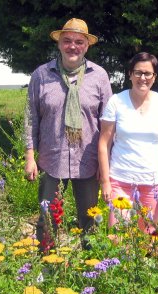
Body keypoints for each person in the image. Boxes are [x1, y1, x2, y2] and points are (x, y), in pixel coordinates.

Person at [24, 18, 112, 250]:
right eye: (67, 41)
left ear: (87, 46)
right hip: (52, 159)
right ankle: (47, 266)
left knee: (89, 219)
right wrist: (30, 157)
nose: (73, 46)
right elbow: (31, 118)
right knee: (47, 218)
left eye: (79, 42)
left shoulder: (99, 76)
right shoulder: (41, 75)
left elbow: (108, 125)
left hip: (88, 159)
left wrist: (106, 165)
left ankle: (91, 268)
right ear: (60, 44)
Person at [98, 52, 158, 234]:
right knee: (117, 235)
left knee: (148, 235)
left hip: (153, 182)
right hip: (120, 181)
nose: (142, 78)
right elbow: (104, 144)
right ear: (130, 74)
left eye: (148, 74)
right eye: (138, 73)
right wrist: (105, 181)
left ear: (154, 77)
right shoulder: (116, 102)